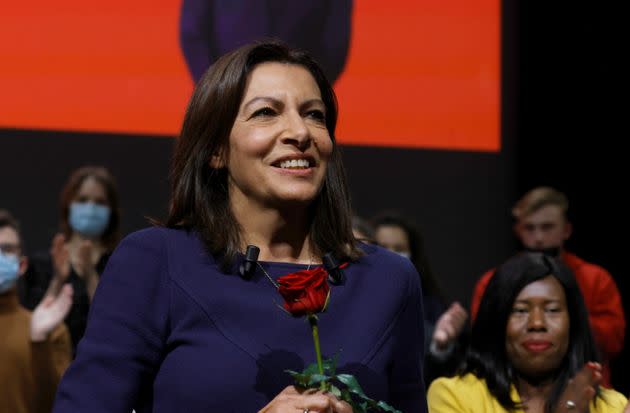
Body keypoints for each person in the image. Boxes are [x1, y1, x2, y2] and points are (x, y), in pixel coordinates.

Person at [52, 41, 427, 412]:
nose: (300, 132)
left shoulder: (389, 280)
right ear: (216, 149)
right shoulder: (154, 263)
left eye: (315, 115)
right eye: (266, 112)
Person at [429, 252, 627, 412]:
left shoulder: (612, 406)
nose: (537, 323)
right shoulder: (452, 395)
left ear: (573, 323)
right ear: (497, 321)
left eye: (552, 310)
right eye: (520, 310)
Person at [470, 187, 625, 387]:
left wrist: (569, 317)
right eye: (530, 228)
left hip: (588, 393)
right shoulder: (493, 281)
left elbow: (613, 343)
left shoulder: (596, 279)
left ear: (566, 230)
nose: (539, 238)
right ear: (517, 230)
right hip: (507, 393)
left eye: (547, 227)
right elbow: (484, 342)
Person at [19, 166, 121, 353]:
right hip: (50, 368)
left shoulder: (120, 264)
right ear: (69, 204)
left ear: (111, 211)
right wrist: (58, 280)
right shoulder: (43, 264)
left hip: (99, 367)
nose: (91, 208)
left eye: (100, 202)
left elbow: (116, 328)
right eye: (82, 200)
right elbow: (32, 327)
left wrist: (91, 276)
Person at [371, 213, 468, 386]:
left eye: (399, 249)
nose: (391, 256)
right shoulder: (352, 299)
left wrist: (440, 347)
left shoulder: (431, 306)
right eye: (383, 247)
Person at [0, 209, 73, 413]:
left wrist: (39, 341)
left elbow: (62, 404)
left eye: (6, 249)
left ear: (22, 264)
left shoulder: (52, 332)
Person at [179, 0, 352, 84]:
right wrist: (217, 92)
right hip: (226, 96)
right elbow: (192, 33)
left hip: (298, 97)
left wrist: (306, 94)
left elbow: (335, 44)